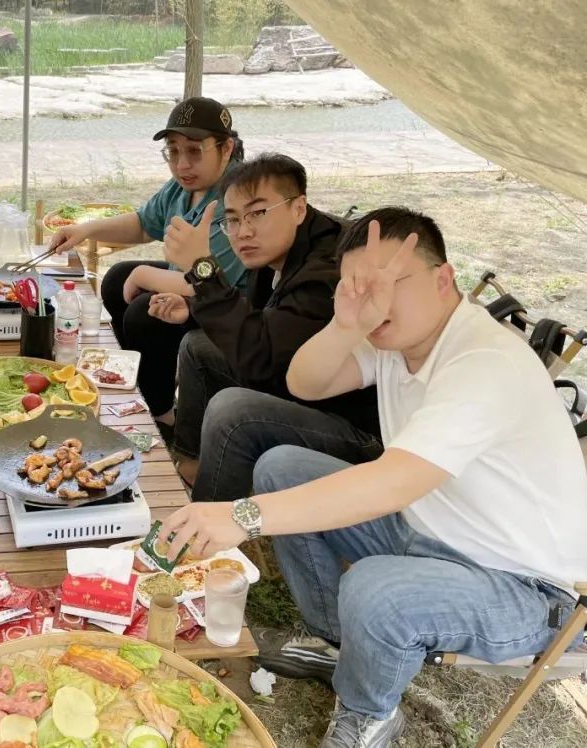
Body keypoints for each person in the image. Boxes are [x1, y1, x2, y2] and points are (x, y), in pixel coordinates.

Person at [159, 208, 587, 748]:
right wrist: (345, 326)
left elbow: (393, 482)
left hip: (526, 587)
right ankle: (341, 643)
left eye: (390, 282)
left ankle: (369, 714)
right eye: (359, 285)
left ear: (443, 278)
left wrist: (242, 516)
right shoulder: (397, 338)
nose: (375, 299)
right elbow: (305, 382)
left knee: (374, 587)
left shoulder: (484, 362)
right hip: (428, 532)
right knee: (281, 468)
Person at [146, 154, 381, 493]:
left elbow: (263, 363)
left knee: (233, 411)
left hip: (356, 426)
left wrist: (201, 268)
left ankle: (211, 516)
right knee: (198, 346)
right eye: (233, 219)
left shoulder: (328, 269)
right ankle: (191, 466)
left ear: (298, 208)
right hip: (299, 382)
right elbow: (268, 324)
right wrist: (193, 308)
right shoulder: (279, 247)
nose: (244, 231)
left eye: (257, 213)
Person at [48, 97, 246, 436]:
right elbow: (143, 224)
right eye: (173, 151)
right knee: (117, 277)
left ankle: (161, 413)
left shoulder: (236, 197)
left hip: (229, 303)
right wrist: (86, 229)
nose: (182, 164)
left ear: (226, 148)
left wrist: (144, 275)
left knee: (145, 310)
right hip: (198, 283)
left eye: (195, 151)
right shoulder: (185, 186)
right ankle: (134, 380)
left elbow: (207, 281)